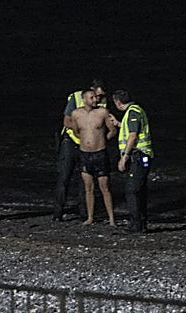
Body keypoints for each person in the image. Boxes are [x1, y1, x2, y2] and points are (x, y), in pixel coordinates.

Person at [53, 79, 107, 221]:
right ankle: (58, 212)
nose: (97, 99)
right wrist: (82, 131)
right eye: (96, 95)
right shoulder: (76, 98)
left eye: (100, 96)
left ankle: (84, 213)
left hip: (88, 146)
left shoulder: (102, 102)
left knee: (85, 181)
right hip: (71, 142)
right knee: (64, 177)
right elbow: (67, 121)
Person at [69, 89, 118, 225]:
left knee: (105, 187)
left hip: (100, 153)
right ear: (84, 99)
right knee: (88, 187)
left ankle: (112, 219)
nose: (95, 100)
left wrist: (103, 140)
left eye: (95, 97)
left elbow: (112, 130)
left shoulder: (102, 112)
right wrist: (86, 141)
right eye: (91, 98)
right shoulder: (76, 114)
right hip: (85, 153)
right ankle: (90, 217)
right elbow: (76, 131)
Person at [113, 89, 153, 233]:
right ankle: (140, 223)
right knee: (139, 190)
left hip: (138, 155)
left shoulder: (132, 113)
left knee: (132, 191)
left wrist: (124, 157)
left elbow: (133, 136)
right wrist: (118, 124)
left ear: (118, 102)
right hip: (143, 156)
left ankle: (136, 224)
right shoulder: (136, 111)